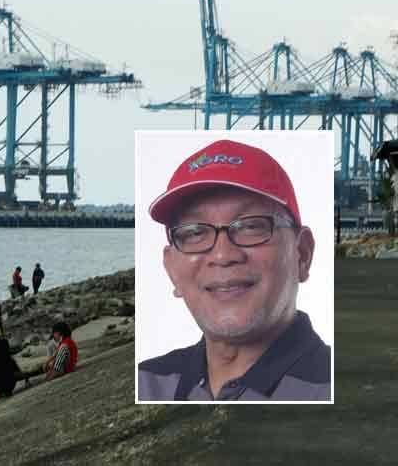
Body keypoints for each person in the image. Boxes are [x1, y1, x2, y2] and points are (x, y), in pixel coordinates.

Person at [137, 139, 330, 402]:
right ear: (172, 270)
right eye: (194, 232)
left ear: (302, 255)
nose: (223, 255)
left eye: (251, 227)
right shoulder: (145, 382)